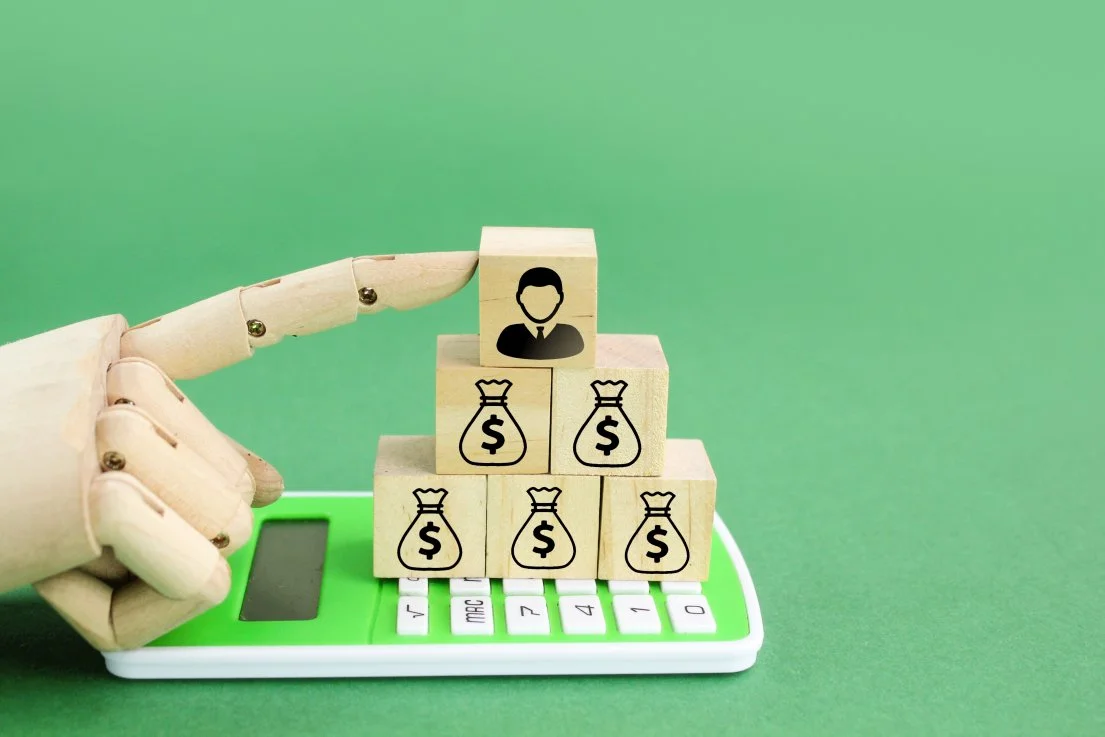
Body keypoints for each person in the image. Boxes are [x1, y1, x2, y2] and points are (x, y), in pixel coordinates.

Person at [496, 266, 584, 360]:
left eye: (547, 296)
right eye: (532, 296)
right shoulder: (509, 336)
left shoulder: (571, 335)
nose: (539, 303)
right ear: (519, 298)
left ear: (560, 298)